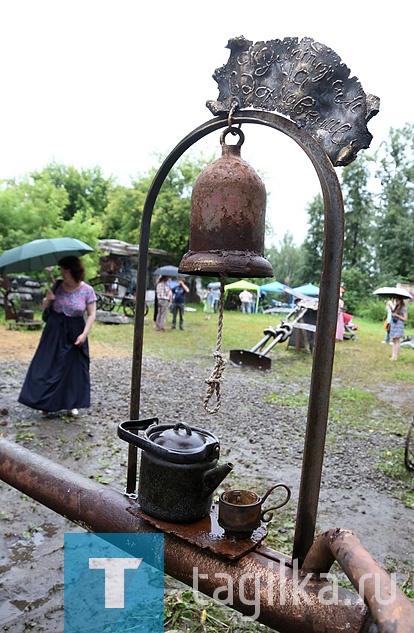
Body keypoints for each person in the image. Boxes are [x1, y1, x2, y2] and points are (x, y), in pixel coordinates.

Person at [18, 256, 97, 417]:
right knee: (47, 367)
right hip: (54, 331)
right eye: (61, 270)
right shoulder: (57, 285)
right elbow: (44, 308)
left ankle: (72, 403)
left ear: (74, 272)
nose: (62, 274)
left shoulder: (87, 290)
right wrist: (48, 301)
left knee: (73, 369)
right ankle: (45, 403)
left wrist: (84, 334)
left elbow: (91, 314)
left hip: (75, 331)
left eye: (65, 271)